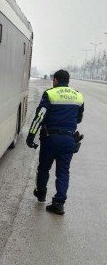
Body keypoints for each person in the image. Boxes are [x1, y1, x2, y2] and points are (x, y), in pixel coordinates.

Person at [26, 69, 84, 215]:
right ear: (68, 81)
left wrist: (31, 135)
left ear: (56, 80)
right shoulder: (78, 96)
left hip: (50, 139)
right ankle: (58, 203)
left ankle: (41, 193)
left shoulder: (50, 93)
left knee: (44, 168)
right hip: (69, 139)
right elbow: (78, 118)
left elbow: (40, 116)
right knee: (63, 171)